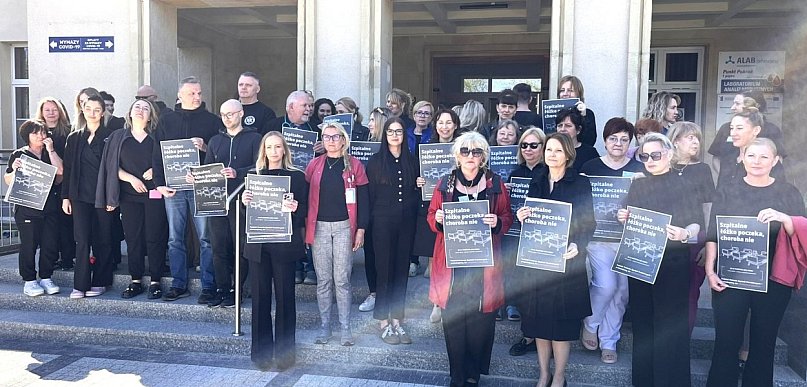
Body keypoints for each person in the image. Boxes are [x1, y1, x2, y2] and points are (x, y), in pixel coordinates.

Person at [704, 138, 805, 387]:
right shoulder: (727, 190)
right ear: (742, 158)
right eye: (751, 155)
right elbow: (713, 232)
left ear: (775, 160)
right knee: (726, 341)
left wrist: (783, 217)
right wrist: (710, 270)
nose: (757, 161)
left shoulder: (788, 192)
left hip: (774, 279)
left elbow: (802, 231)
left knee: (764, 343)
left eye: (764, 157)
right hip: (731, 275)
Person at [427, 131, 513, 387]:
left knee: (480, 322)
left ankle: (473, 373)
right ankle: (457, 376)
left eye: (476, 152)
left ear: (483, 156)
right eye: (465, 151)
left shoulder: (495, 184)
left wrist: (497, 222)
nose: (470, 156)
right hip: (452, 264)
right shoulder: (445, 183)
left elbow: (507, 216)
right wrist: (438, 219)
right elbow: (431, 215)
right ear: (457, 155)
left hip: (484, 264)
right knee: (454, 321)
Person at [616, 132, 702, 387]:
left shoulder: (685, 184)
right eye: (644, 156)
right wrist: (623, 217)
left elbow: (697, 222)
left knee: (669, 326)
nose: (650, 160)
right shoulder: (638, 185)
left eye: (655, 155)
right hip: (641, 262)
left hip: (673, 263)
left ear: (669, 154)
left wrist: (685, 233)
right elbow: (631, 219)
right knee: (643, 324)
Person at [518, 133, 596, 387]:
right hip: (539, 262)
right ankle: (544, 374)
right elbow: (531, 217)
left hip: (566, 262)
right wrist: (522, 215)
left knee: (561, 327)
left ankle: (559, 376)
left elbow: (589, 222)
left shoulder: (580, 183)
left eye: (558, 150)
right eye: (549, 149)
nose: (552, 155)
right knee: (540, 323)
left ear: (568, 154)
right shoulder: (537, 179)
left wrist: (578, 245)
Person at [578, 118, 644, 364]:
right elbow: (580, 201)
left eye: (624, 139)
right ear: (605, 141)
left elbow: (648, 204)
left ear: (630, 143)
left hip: (628, 240)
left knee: (622, 292)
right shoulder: (590, 167)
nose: (618, 143)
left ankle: (609, 341)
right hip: (598, 239)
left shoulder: (639, 169)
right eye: (613, 138)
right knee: (606, 285)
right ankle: (591, 323)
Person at [242, 132, 308, 371]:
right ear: (264, 150)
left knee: (285, 298)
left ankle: (284, 354)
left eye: (278, 147)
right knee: (260, 299)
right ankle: (261, 354)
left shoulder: (297, 177)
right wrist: (244, 203)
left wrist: (296, 207)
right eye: (269, 147)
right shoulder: (254, 176)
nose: (273, 151)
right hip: (259, 245)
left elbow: (305, 210)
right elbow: (246, 216)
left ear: (284, 150)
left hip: (284, 244)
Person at [152, 76, 222, 303]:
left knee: (206, 238)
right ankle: (178, 284)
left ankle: (209, 285)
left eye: (199, 93)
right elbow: (157, 154)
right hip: (173, 188)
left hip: (203, 186)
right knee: (175, 238)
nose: (197, 97)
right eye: (192, 93)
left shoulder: (212, 121)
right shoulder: (166, 120)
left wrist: (205, 147)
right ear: (180, 95)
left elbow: (220, 154)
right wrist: (159, 184)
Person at [96, 99, 168, 299]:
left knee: (155, 237)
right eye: (137, 107)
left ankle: (155, 281)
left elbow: (168, 162)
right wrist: (131, 178)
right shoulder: (118, 136)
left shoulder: (157, 137)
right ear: (129, 113)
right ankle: (135, 279)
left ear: (150, 116)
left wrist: (155, 170)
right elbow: (111, 166)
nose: (140, 110)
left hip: (154, 194)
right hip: (129, 196)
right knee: (133, 238)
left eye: (146, 108)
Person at [305, 122, 369, 346]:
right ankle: (325, 327)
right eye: (326, 137)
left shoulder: (355, 165)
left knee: (342, 280)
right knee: (323, 280)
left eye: (335, 137)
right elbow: (305, 196)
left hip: (344, 227)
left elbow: (364, 200)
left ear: (343, 139)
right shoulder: (314, 165)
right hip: (319, 228)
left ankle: (345, 328)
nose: (331, 141)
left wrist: (361, 229)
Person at [199, 99, 262, 307]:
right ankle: (222, 288)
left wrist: (238, 172)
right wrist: (196, 178)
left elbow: (260, 167)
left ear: (241, 113)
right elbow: (208, 169)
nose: (226, 118)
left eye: (231, 114)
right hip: (217, 201)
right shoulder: (215, 141)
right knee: (218, 247)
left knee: (240, 247)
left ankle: (238, 289)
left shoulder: (255, 138)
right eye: (223, 114)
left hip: (242, 201)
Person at [367, 117, 419, 345]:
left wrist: (420, 185)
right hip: (381, 223)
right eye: (391, 131)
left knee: (401, 271)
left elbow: (417, 195)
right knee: (384, 270)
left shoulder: (413, 161)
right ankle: (383, 321)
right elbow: (369, 196)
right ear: (385, 134)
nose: (395, 135)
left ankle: (397, 319)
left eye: (399, 131)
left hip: (406, 223)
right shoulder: (375, 161)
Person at [62, 95, 115, 299]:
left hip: (103, 195)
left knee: (103, 239)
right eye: (88, 108)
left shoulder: (111, 136)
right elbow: (68, 169)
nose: (92, 113)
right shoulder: (74, 137)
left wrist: (113, 198)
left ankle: (101, 281)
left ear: (103, 112)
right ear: (83, 110)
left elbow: (114, 168)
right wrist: (66, 197)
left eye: (97, 109)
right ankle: (80, 285)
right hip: (79, 196)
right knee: (82, 240)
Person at [667, 121, 715, 335]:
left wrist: (708, 244)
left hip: (695, 240)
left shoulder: (702, 169)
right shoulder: (663, 167)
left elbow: (708, 207)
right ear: (676, 141)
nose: (696, 142)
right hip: (666, 239)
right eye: (690, 137)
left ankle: (683, 336)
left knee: (690, 291)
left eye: (697, 138)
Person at [5, 120, 63, 296]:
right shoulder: (19, 154)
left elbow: (60, 174)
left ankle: (46, 277)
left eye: (43, 132)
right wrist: (14, 170)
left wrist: (51, 150)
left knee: (50, 244)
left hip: (49, 207)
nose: (40, 136)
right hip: (26, 208)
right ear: (27, 136)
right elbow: (8, 180)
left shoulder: (50, 153)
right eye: (35, 133)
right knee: (29, 245)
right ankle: (29, 280)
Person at [268, 90, 320, 285]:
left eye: (310, 106)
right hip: (280, 183)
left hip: (309, 183)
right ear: (290, 107)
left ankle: (311, 267)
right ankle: (295, 266)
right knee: (290, 224)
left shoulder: (317, 128)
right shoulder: (273, 125)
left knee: (308, 222)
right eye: (304, 106)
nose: (309, 109)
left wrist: (323, 148)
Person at [507, 127, 547, 357]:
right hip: (516, 237)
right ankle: (528, 335)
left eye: (534, 145)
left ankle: (538, 337)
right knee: (522, 288)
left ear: (543, 147)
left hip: (540, 239)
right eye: (524, 145)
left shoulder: (549, 173)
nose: (528, 149)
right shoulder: (515, 173)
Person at [35, 97, 75, 271]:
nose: (51, 113)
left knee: (65, 223)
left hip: (64, 182)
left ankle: (67, 258)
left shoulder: (68, 132)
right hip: (43, 185)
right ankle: (51, 259)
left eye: (54, 109)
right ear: (41, 113)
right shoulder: (37, 132)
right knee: (48, 225)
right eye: (47, 110)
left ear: (60, 112)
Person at [358, 107, 391, 312]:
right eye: (369, 119)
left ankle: (388, 295)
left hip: (385, 207)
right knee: (370, 252)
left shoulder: (392, 149)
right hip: (366, 203)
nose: (369, 124)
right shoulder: (363, 144)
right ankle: (373, 292)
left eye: (373, 120)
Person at [708, 91, 785, 169]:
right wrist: (725, 175)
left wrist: (763, 175)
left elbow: (778, 158)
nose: (732, 108)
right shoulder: (725, 128)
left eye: (737, 104)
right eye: (732, 128)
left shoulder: (771, 130)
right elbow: (716, 157)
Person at [715, 107, 786, 189]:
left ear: (756, 130)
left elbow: (779, 192)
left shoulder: (767, 161)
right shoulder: (728, 157)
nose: (733, 133)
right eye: (731, 128)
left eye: (739, 128)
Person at [555, 75, 597, 146]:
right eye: (562, 90)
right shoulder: (552, 112)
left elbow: (590, 141)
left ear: (578, 94)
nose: (565, 94)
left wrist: (583, 116)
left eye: (570, 90)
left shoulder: (588, 113)